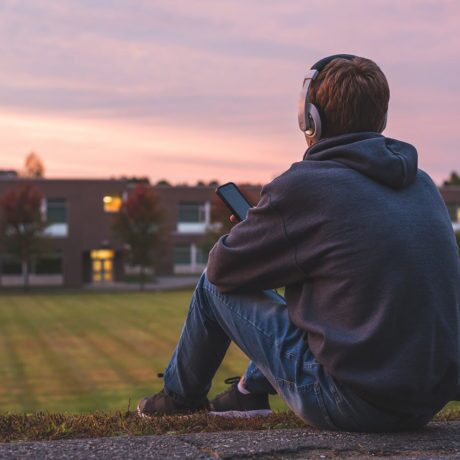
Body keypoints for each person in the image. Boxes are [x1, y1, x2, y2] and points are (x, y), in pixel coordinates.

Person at [137, 54, 460, 432]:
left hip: (352, 403)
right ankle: (249, 391)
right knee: (321, 289)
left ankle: (179, 399)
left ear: (310, 119)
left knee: (211, 286)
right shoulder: (421, 184)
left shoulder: (306, 185)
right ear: (381, 119)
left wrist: (251, 233)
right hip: (422, 404)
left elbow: (223, 268)